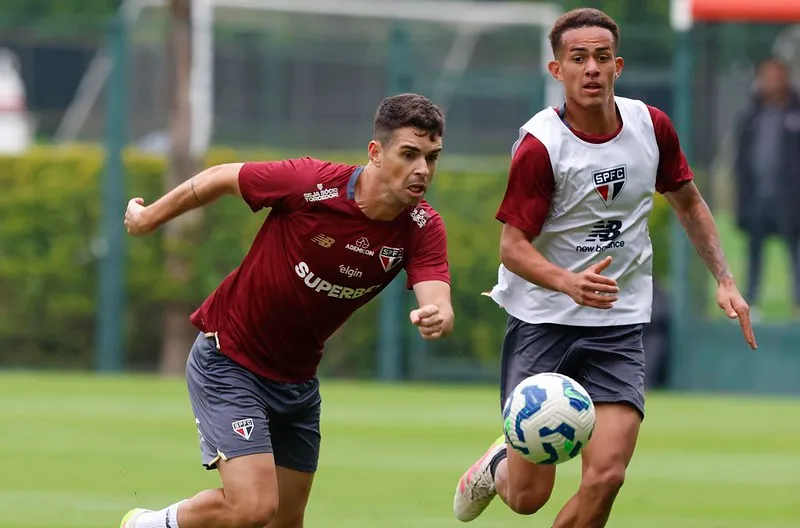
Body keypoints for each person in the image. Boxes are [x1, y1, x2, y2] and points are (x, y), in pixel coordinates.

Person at [453, 8, 757, 527]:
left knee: (606, 478)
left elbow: (688, 201)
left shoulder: (650, 126)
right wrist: (568, 282)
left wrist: (725, 280)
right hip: (542, 323)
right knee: (528, 497)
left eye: (600, 58)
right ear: (558, 71)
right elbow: (512, 248)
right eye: (578, 59)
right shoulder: (540, 146)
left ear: (617, 65)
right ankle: (497, 462)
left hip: (618, 326)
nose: (590, 68)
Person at [120, 93, 454, 528]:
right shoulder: (311, 183)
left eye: (431, 158)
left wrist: (437, 316)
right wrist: (150, 219)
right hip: (229, 359)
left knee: (286, 519)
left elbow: (438, 301)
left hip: (297, 383)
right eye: (409, 154)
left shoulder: (422, 228)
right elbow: (223, 176)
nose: (422, 170)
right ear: (375, 152)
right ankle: (147, 525)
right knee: (254, 507)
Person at [734, 57, 800, 319]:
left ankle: (797, 303)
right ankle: (751, 302)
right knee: (754, 252)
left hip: (791, 199)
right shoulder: (751, 116)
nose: (772, 82)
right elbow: (740, 160)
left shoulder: (795, 112)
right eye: (767, 76)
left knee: (795, 251)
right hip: (757, 198)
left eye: (777, 76)